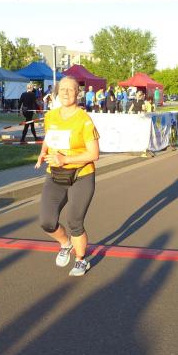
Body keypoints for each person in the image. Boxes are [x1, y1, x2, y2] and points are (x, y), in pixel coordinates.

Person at [35, 76, 100, 277]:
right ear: (57, 92)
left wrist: (65, 159)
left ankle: (81, 260)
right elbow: (49, 137)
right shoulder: (51, 116)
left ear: (77, 94)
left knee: (74, 221)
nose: (65, 92)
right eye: (62, 89)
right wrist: (42, 152)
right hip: (55, 174)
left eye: (70, 89)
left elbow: (94, 154)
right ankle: (65, 244)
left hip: (81, 175)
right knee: (46, 221)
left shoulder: (84, 120)